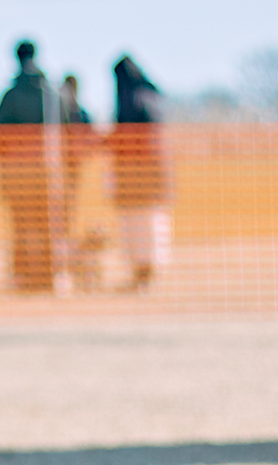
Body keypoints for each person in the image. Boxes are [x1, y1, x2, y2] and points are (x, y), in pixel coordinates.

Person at [0, 40, 72, 293]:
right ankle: (49, 276)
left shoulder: (11, 95)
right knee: (50, 225)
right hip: (50, 173)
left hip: (19, 176)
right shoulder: (54, 93)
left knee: (22, 226)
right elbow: (70, 132)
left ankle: (24, 276)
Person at [109, 54, 172, 290]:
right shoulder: (151, 97)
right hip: (151, 178)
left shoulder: (134, 101)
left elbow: (127, 139)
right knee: (146, 223)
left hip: (137, 178)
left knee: (140, 224)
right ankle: (142, 273)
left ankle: (143, 272)